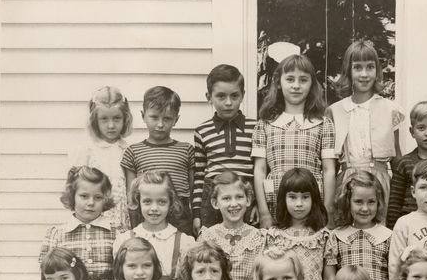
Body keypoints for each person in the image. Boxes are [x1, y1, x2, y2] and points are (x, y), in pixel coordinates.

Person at [252, 54, 336, 227]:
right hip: (275, 199)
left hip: (310, 200)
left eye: (303, 80)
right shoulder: (265, 124)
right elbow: (259, 170)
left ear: (312, 84)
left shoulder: (323, 123)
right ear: (278, 83)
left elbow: (329, 170)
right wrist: (263, 212)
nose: (296, 86)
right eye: (290, 79)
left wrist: (327, 209)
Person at [327, 39, 404, 222]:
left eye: (370, 67)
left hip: (380, 183)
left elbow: (397, 158)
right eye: (357, 67)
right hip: (346, 183)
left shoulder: (389, 109)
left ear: (377, 71)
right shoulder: (335, 111)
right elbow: (330, 164)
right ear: (348, 71)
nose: (364, 74)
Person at [192, 64, 258, 233]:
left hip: (245, 196)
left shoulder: (256, 128)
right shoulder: (202, 131)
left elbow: (260, 171)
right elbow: (199, 175)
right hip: (213, 197)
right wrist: (197, 213)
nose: (228, 102)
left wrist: (257, 204)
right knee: (213, 245)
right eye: (221, 96)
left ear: (242, 95)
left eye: (234, 96)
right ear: (209, 97)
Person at [39, 166, 116, 280]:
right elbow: (46, 279)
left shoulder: (116, 232)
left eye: (98, 197)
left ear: (105, 199)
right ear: (72, 196)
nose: (91, 202)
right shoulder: (56, 234)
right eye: (84, 196)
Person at [121, 86, 194, 235]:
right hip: (147, 213)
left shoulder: (186, 150)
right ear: (143, 116)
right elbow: (132, 197)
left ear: (176, 119)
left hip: (180, 215)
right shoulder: (133, 152)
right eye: (154, 117)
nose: (160, 124)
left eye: (167, 118)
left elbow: (193, 191)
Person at [114, 171, 195, 280]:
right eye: (147, 201)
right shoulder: (125, 240)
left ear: (171, 203)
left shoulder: (184, 242)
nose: (154, 208)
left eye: (161, 202)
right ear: (138, 201)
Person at [324, 171, 391, 280]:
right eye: (359, 202)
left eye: (371, 202)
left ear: (378, 202)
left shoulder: (388, 237)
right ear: (347, 202)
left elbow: (394, 279)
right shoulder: (336, 237)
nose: (365, 208)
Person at [69, 86, 133, 234]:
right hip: (93, 216)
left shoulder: (128, 150)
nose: (111, 125)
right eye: (104, 119)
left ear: (125, 119)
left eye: (117, 118)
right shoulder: (86, 150)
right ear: (94, 121)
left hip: (121, 218)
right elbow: (75, 190)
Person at [265, 168, 330, 280]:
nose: (299, 204)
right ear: (284, 198)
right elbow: (267, 276)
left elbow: (329, 278)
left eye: (305, 197)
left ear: (314, 199)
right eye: (293, 197)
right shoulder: (275, 235)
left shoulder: (323, 236)